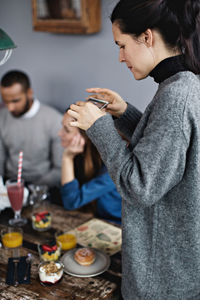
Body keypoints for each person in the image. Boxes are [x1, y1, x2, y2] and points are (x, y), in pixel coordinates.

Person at [67, 0, 200, 299]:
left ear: (148, 37)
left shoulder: (176, 95)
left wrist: (98, 127)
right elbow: (166, 152)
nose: (120, 57)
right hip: (172, 272)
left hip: (161, 281)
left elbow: (139, 186)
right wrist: (123, 113)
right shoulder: (182, 84)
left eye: (122, 45)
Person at [0, 70, 63, 187]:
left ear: (29, 93)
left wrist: (30, 190)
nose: (10, 108)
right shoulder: (2, 117)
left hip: (42, 186)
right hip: (9, 184)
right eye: (5, 101)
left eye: (15, 101)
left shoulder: (54, 120)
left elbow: (60, 170)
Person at [58, 111, 121, 223]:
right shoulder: (82, 156)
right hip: (94, 220)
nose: (59, 133)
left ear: (86, 137)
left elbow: (71, 202)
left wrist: (67, 159)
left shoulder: (113, 168)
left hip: (116, 226)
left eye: (66, 130)